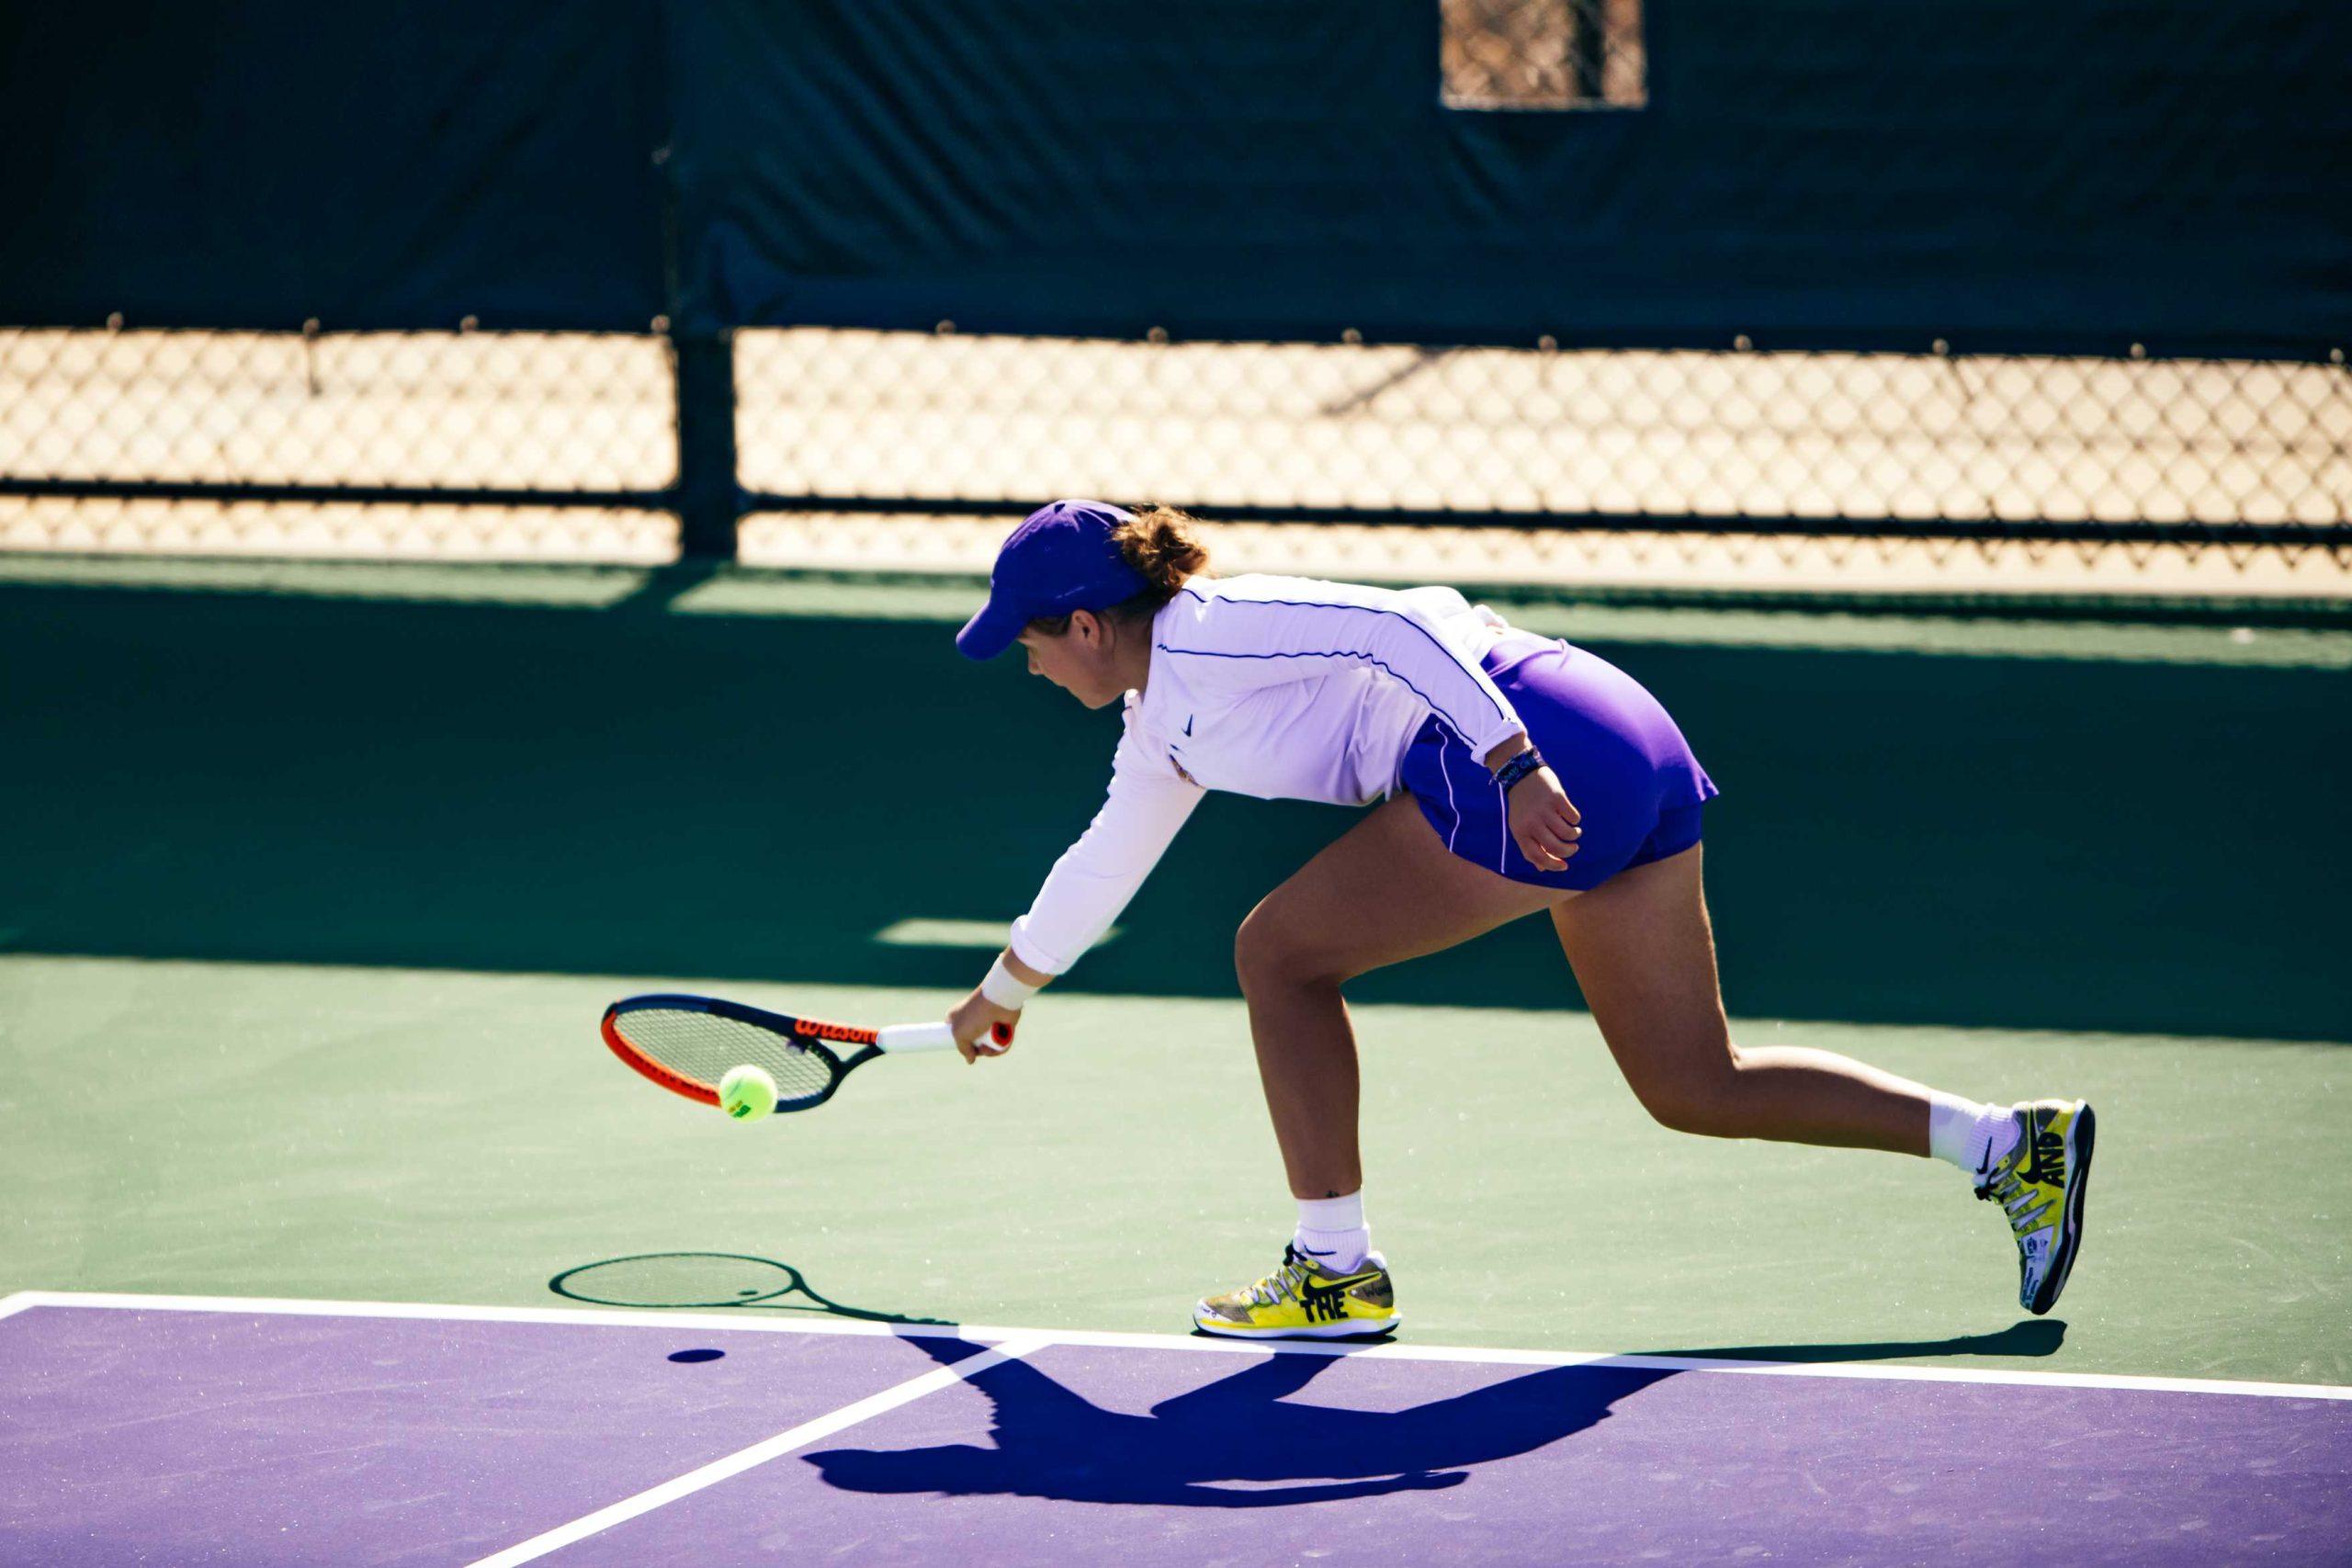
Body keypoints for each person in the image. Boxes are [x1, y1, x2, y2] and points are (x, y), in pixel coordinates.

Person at [945, 500, 2094, 1339]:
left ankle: (1333, 1272)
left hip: (1526, 740)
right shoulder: (1163, 723)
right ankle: (2010, 1146)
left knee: (1279, 955)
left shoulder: (1211, 627)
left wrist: (1513, 762)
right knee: (1696, 1084)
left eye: (1030, 640)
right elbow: (1107, 858)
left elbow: (1396, 631)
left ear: (1090, 624)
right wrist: (1004, 990)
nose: (1029, 664)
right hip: (1612, 726)